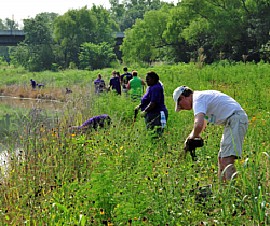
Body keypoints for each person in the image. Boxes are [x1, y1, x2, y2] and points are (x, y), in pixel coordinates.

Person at [173, 86, 248, 182]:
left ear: (183, 97)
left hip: (235, 119)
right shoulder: (200, 97)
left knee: (226, 160)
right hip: (233, 121)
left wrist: (192, 137)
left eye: (180, 105)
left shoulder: (197, 99)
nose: (182, 108)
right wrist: (190, 137)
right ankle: (223, 189)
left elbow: (198, 124)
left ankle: (233, 190)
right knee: (221, 159)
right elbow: (203, 123)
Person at [135, 71, 168, 137]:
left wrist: (145, 111)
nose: (146, 81)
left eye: (148, 79)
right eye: (146, 79)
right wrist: (139, 106)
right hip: (151, 114)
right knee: (151, 133)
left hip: (156, 114)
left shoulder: (156, 88)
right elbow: (147, 99)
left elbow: (153, 103)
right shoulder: (150, 87)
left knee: (156, 134)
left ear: (153, 79)